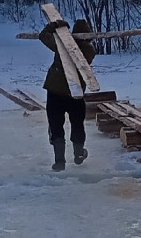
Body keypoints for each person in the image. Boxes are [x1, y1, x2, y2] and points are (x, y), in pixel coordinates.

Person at [38, 18, 96, 171]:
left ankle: (59, 161)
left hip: (55, 92)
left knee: (56, 125)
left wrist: (55, 26)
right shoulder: (90, 51)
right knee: (77, 124)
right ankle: (78, 154)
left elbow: (43, 36)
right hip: (75, 94)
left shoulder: (61, 45)